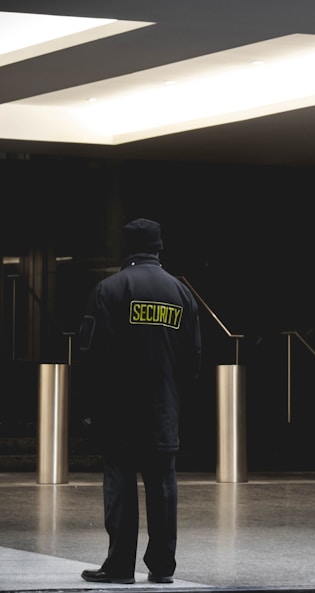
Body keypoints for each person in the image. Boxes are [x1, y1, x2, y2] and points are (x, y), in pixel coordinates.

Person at [78, 218, 201, 584]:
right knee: (163, 488)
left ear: (126, 248)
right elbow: (193, 361)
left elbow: (92, 356)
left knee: (121, 488)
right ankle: (162, 567)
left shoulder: (109, 289)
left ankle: (119, 567)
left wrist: (90, 409)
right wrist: (173, 399)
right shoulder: (182, 293)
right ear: (159, 247)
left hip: (119, 413)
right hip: (164, 410)